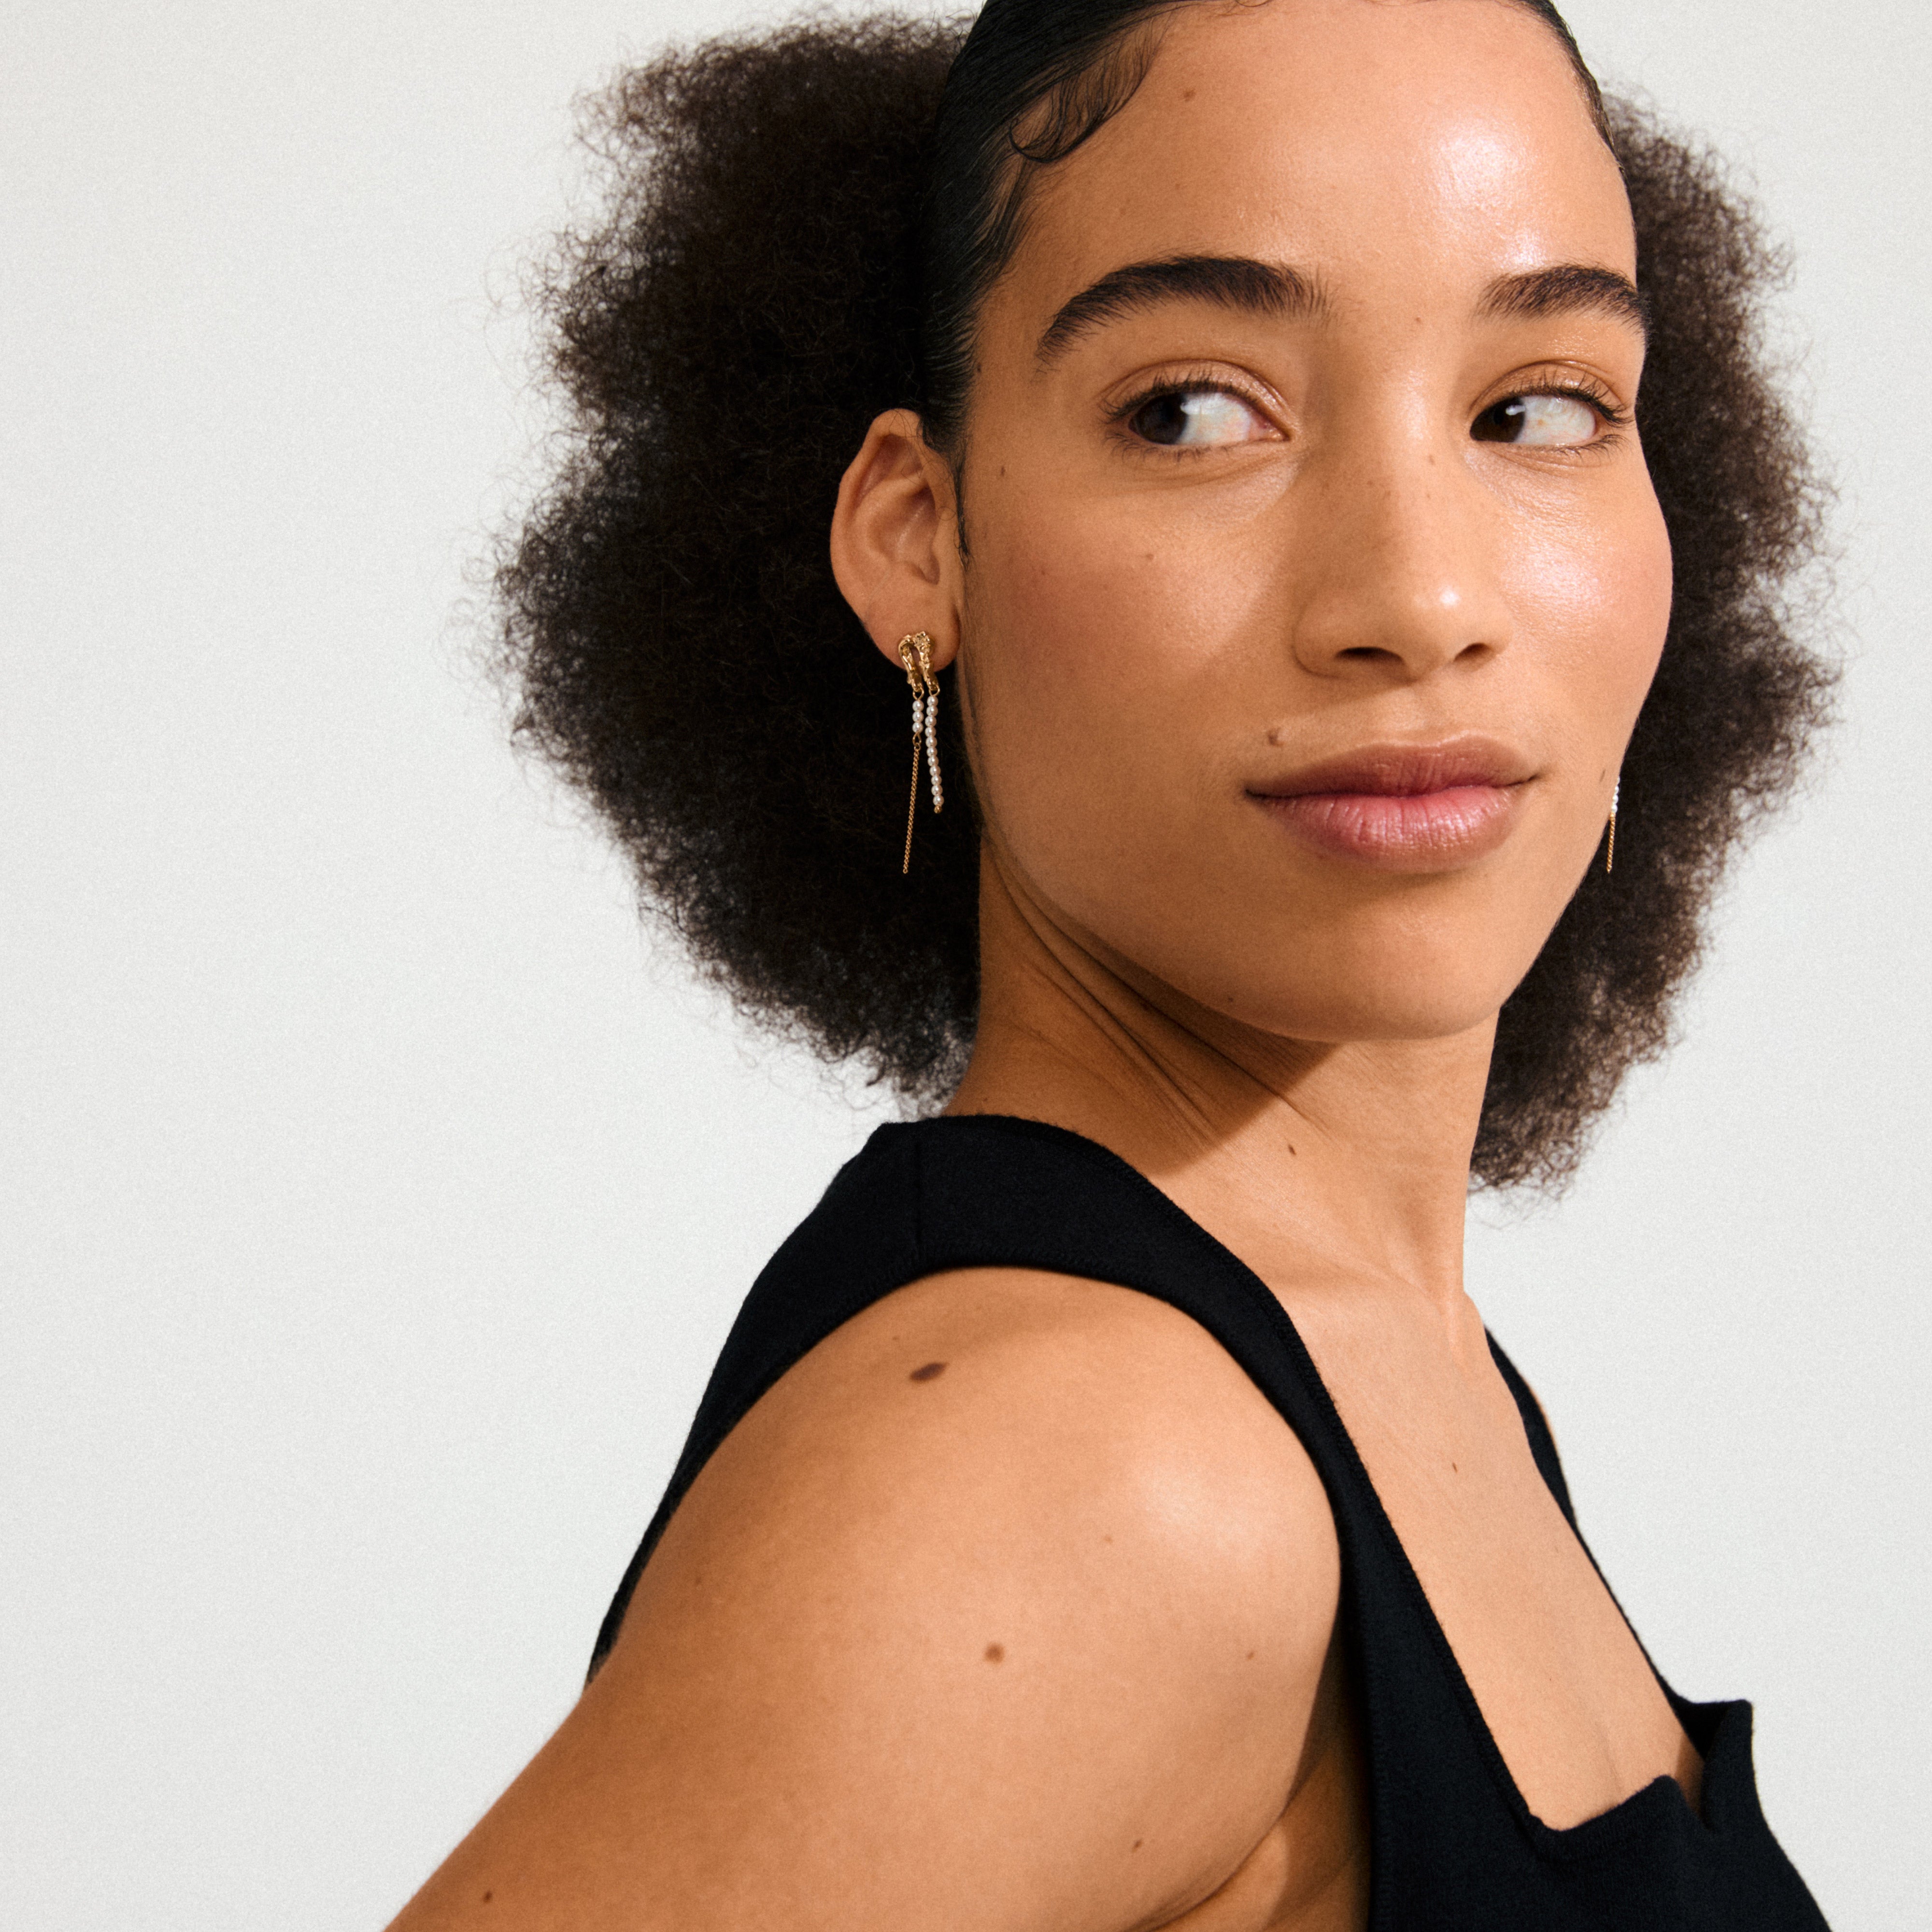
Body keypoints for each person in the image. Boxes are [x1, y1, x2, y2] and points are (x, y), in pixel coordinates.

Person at [393, 0, 1834, 1924]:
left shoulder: (1388, 1363)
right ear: (923, 537)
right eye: (1194, 409)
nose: (1414, 595)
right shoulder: (1090, 1471)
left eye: (1533, 406)